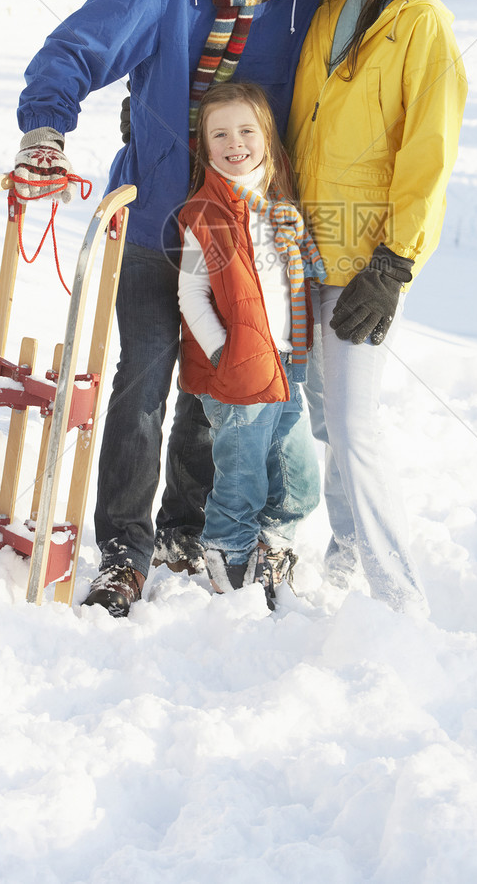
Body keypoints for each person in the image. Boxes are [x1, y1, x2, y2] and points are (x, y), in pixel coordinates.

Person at [13, 0, 342, 616]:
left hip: (241, 233)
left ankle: (182, 533)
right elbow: (80, 46)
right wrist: (44, 133)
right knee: (143, 385)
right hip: (160, 216)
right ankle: (123, 551)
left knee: (215, 385)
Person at [285, 0, 468, 614]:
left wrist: (394, 264)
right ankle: (346, 551)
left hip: (366, 259)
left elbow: (429, 154)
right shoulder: (329, 6)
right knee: (325, 419)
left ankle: (401, 597)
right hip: (305, 247)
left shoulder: (422, 25)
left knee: (356, 426)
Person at [177, 82, 325, 608]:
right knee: (241, 475)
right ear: (205, 144)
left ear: (267, 136)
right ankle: (228, 552)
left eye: (246, 130)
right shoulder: (206, 211)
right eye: (220, 133)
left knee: (298, 473)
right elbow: (191, 293)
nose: (234, 142)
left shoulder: (279, 206)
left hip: (283, 362)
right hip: (237, 370)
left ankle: (273, 540)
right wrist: (223, 353)